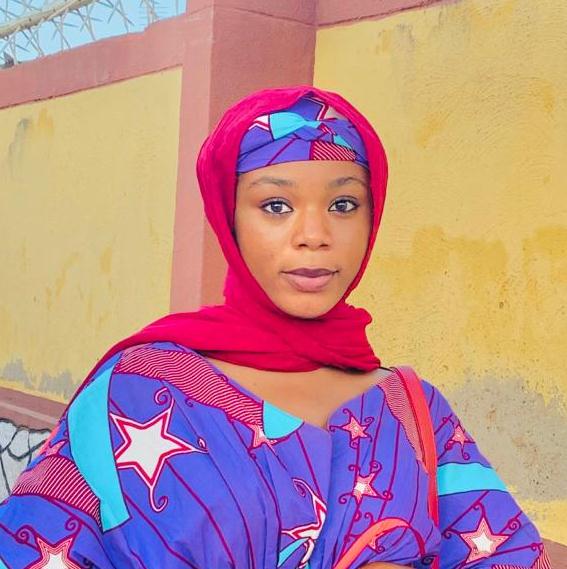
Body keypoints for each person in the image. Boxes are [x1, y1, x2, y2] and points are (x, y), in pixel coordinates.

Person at [0, 86, 549, 569]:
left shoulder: (413, 410)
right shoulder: (139, 388)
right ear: (229, 219)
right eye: (277, 205)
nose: (313, 234)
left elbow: (509, 553)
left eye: (343, 203)